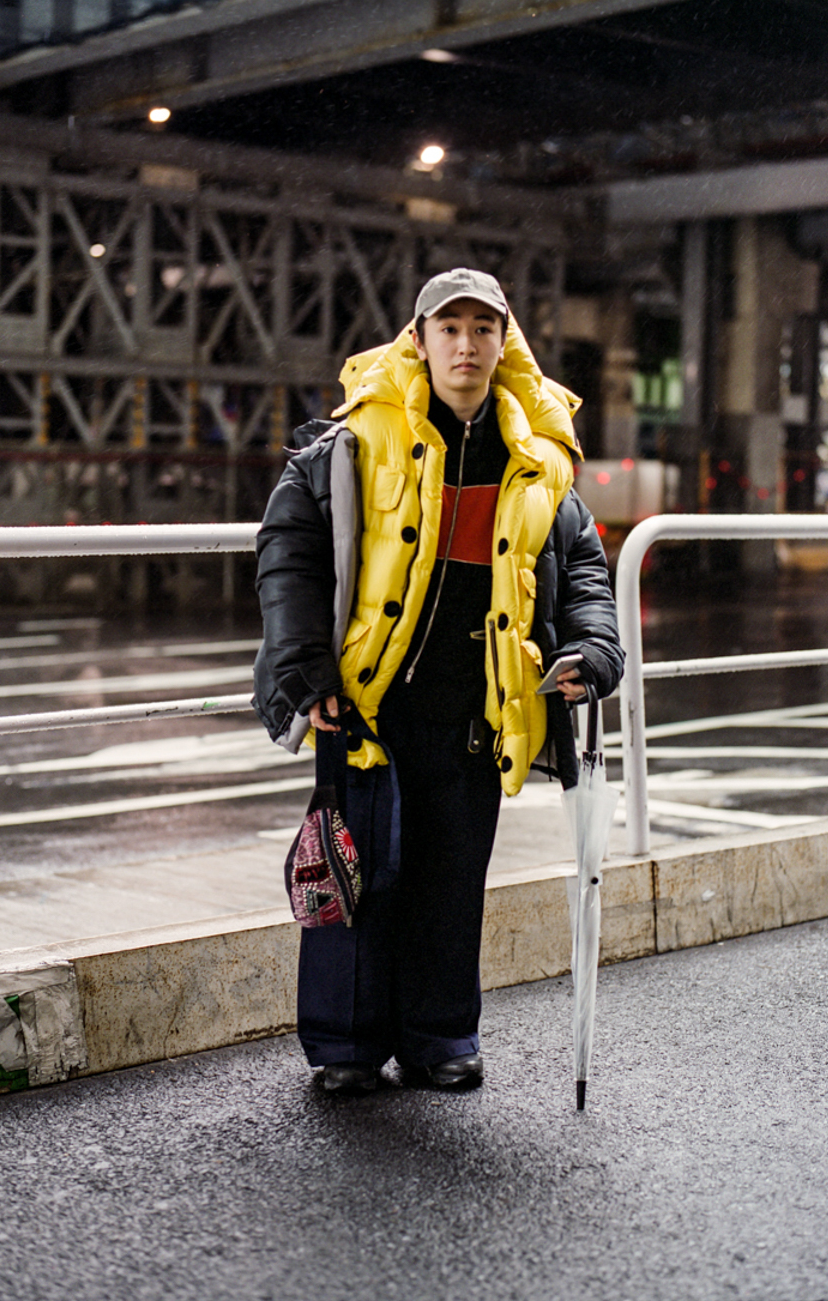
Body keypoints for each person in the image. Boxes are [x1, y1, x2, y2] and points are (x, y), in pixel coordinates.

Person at [253, 267, 624, 1094]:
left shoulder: (536, 458)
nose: (466, 343)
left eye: (482, 328)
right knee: (355, 880)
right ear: (416, 340)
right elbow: (289, 549)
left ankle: (439, 1036)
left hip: (475, 711)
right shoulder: (350, 441)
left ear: (504, 341)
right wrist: (305, 669)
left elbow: (587, 569)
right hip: (362, 707)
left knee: (451, 881)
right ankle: (345, 1049)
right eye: (448, 327)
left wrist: (595, 652)